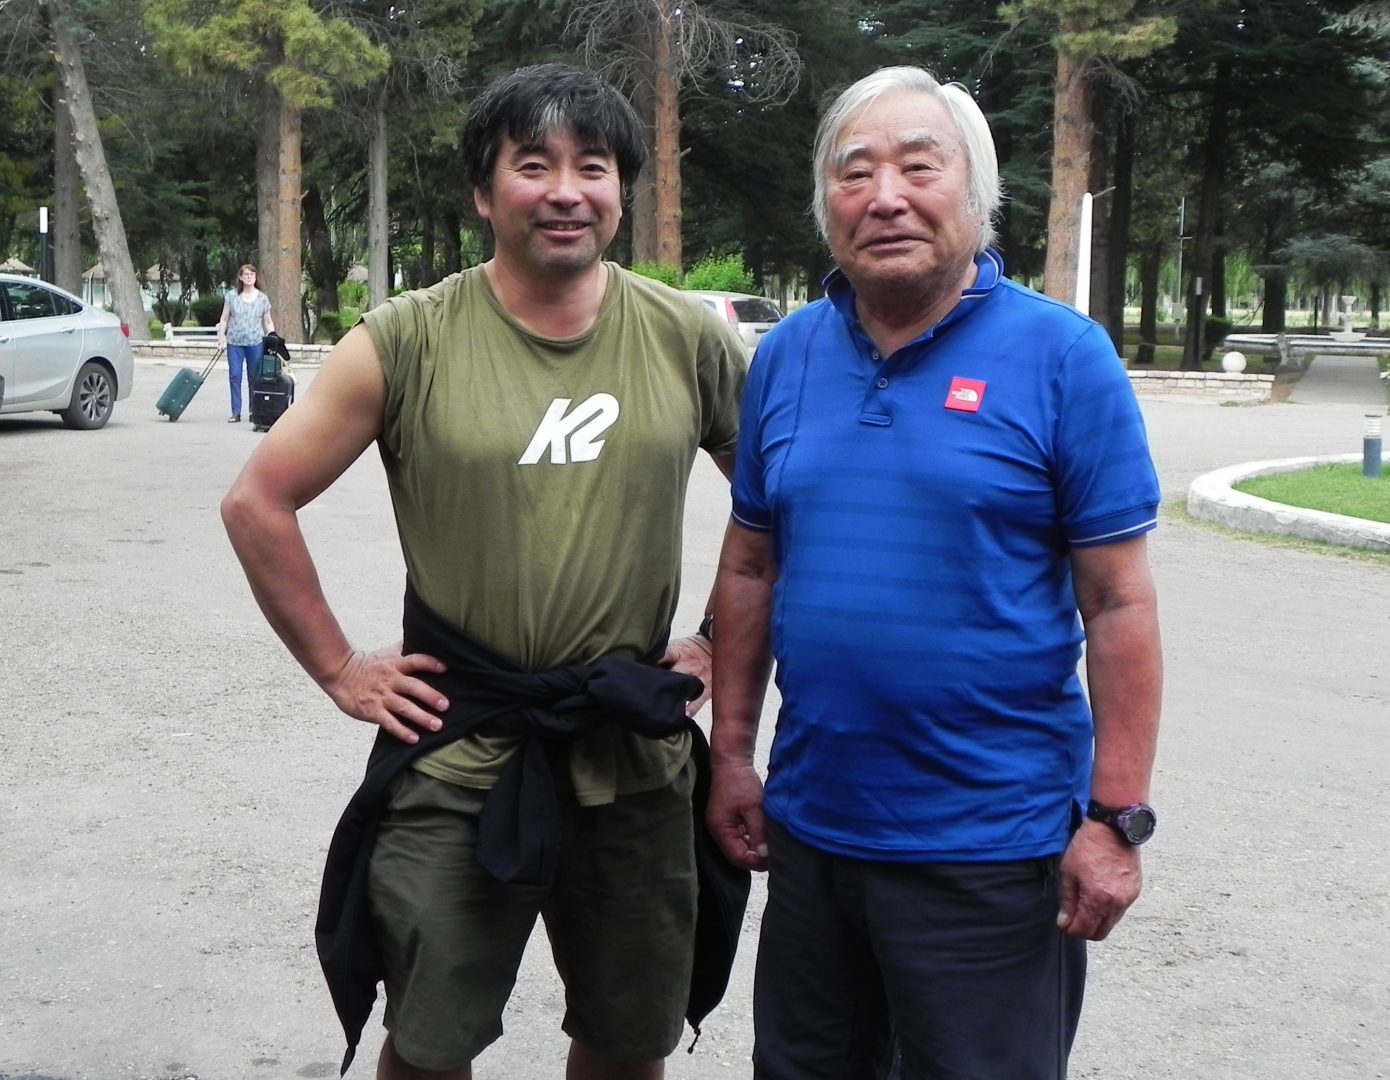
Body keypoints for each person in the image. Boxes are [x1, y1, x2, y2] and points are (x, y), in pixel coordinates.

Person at [221, 64, 750, 1080]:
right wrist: (339, 668)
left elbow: (777, 510)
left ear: (620, 189)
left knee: (628, 1037)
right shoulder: (408, 338)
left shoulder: (689, 337)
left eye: (591, 166)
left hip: (630, 754)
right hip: (461, 753)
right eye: (533, 164)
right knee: (427, 1042)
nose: (565, 189)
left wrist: (722, 644)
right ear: (483, 190)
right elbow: (257, 500)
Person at [706, 65, 1163, 1080]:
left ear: (975, 194)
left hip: (990, 849)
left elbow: (1118, 601)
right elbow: (747, 567)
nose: (885, 196)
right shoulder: (787, 356)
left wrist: (1115, 818)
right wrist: (731, 754)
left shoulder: (1061, 356)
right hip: (816, 833)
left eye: (919, 167)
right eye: (854, 172)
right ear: (826, 204)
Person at [215, 263, 275, 422]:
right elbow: (224, 318)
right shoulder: (231, 296)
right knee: (235, 375)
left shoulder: (262, 299)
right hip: (234, 342)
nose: (249, 277)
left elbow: (267, 322)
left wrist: (273, 337)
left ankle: (253, 410)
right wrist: (220, 338)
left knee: (254, 377)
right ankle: (236, 411)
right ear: (240, 277)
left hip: (255, 342)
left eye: (252, 274)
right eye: (246, 274)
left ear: (255, 278)